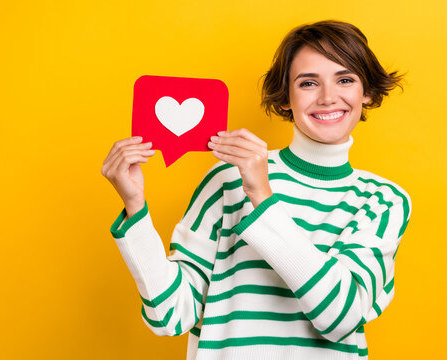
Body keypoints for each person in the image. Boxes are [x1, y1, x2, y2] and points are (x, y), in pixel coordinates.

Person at [101, 19, 412, 360]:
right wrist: (135, 209)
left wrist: (263, 198)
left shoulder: (382, 200)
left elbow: (339, 317)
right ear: (285, 99)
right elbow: (170, 314)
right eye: (308, 83)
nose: (327, 97)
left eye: (345, 79)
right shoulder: (228, 179)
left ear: (366, 92)